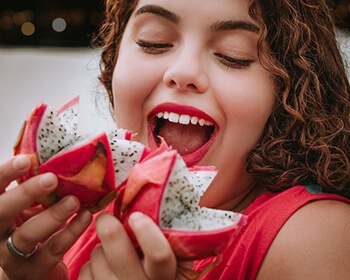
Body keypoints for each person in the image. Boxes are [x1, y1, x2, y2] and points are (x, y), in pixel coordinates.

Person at [0, 0, 349, 279]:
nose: (182, 72)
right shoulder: (76, 223)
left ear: (290, 91)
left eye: (234, 55)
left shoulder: (315, 238)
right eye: (153, 42)